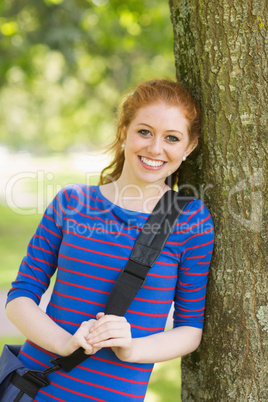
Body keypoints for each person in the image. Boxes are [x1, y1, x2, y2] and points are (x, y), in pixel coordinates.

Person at [6, 79, 214, 401]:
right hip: (34, 389)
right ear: (124, 132)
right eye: (144, 132)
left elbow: (190, 329)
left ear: (189, 147)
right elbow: (20, 297)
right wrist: (66, 343)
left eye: (171, 138)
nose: (155, 148)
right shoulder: (71, 202)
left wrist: (131, 348)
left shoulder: (190, 219)